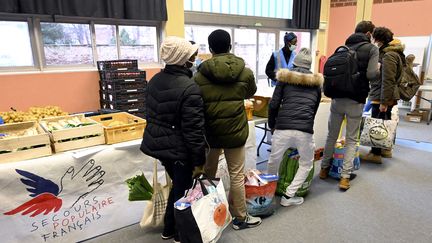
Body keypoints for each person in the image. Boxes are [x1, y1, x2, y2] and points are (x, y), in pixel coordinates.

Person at [140, 36, 206, 243]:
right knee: (183, 192)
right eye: (192, 56)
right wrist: (199, 160)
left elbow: (151, 113)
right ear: (183, 59)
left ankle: (169, 228)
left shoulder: (154, 80)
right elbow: (193, 129)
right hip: (179, 149)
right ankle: (180, 233)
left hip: (159, 146)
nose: (195, 59)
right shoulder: (189, 87)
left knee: (178, 185)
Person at [193, 29, 261, 230]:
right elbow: (250, 91)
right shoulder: (245, 71)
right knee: (237, 175)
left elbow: (197, 101)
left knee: (208, 174)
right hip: (235, 130)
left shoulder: (199, 75)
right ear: (230, 46)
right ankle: (240, 217)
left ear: (211, 49)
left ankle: (208, 215)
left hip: (211, 132)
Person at [319, 21, 380, 190]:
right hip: (355, 99)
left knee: (331, 136)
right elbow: (371, 74)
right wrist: (379, 70)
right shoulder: (372, 49)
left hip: (337, 99)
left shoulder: (342, 48)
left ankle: (324, 169)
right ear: (369, 34)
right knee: (352, 140)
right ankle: (344, 178)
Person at [266, 48, 322, 206]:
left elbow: (273, 104)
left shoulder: (285, 78)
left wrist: (272, 125)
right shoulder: (317, 84)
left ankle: (269, 193)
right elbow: (314, 109)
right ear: (309, 65)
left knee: (273, 160)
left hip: (282, 126)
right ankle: (289, 196)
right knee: (306, 163)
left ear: (294, 62)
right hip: (305, 130)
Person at [360, 27, 405, 163]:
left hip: (382, 95)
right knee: (384, 123)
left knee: (377, 125)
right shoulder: (394, 53)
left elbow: (388, 79)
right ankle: (385, 149)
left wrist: (384, 102)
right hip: (384, 94)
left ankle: (375, 153)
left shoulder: (388, 55)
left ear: (378, 39)